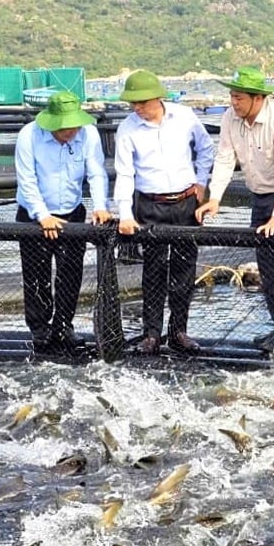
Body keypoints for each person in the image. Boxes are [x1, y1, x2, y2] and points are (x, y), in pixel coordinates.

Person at [198, 67, 274, 354]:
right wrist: (215, 196)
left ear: (258, 99)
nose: (234, 102)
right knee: (267, 268)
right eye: (232, 96)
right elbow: (224, 158)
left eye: (240, 97)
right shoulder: (230, 119)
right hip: (258, 196)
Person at [113, 69, 215, 356]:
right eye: (133, 104)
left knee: (185, 267)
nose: (137, 108)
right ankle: (151, 333)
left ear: (157, 98)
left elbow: (206, 148)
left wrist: (201, 183)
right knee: (154, 268)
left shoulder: (184, 117)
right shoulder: (127, 129)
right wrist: (125, 212)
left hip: (185, 201)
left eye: (142, 103)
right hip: (150, 203)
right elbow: (124, 173)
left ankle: (179, 330)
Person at [14, 91, 111, 356]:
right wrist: (42, 214)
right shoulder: (28, 135)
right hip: (34, 216)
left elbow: (96, 172)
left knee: (70, 274)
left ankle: (63, 325)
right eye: (66, 127)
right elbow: (27, 179)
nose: (72, 131)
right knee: (36, 275)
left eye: (75, 125)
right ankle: (40, 329)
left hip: (72, 213)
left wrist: (100, 206)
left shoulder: (88, 134)